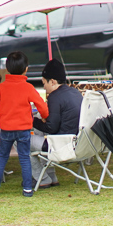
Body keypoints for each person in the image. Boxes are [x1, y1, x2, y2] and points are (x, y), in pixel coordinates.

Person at [0, 51, 48, 197]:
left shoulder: (1, 88)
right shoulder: (28, 87)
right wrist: (45, 117)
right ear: (26, 68)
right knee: (24, 158)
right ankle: (27, 189)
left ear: (7, 68)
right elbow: (42, 105)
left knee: (2, 157)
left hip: (6, 129)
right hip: (24, 130)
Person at [30, 59, 83, 189]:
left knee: (20, 140)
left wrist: (32, 120)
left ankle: (41, 178)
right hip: (78, 143)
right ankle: (51, 177)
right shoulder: (75, 92)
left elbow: (51, 128)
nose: (44, 87)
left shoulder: (54, 96)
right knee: (38, 133)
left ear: (52, 81)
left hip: (61, 146)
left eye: (44, 83)